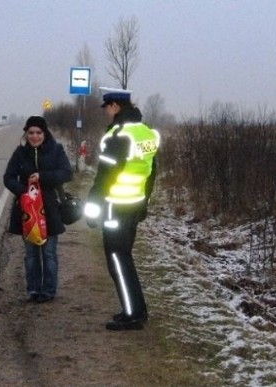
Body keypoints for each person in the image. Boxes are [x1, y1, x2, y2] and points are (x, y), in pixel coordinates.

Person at [83, 87, 160, 331]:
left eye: (107, 107)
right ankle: (137, 309)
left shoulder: (118, 135)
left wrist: (93, 205)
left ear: (115, 106)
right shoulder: (146, 133)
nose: (106, 112)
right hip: (134, 204)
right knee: (124, 257)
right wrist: (145, 203)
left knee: (117, 259)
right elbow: (151, 172)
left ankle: (133, 314)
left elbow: (105, 176)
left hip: (115, 206)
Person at [3, 116, 73, 303]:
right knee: (31, 254)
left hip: (50, 208)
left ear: (45, 133)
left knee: (49, 252)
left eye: (38, 133)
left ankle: (49, 290)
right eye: (31, 133)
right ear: (26, 134)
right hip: (27, 211)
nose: (35, 136)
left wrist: (42, 177)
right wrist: (23, 191)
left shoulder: (56, 150)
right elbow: (8, 177)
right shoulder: (20, 153)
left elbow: (67, 173)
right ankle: (33, 289)